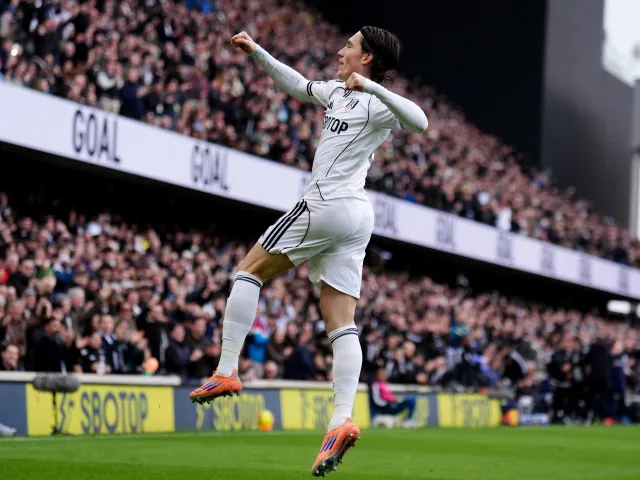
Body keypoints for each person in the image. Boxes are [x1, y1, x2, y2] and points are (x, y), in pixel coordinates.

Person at [188, 26, 427, 476]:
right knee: (341, 322)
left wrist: (372, 87)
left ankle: (226, 370)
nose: (340, 50)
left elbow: (420, 122)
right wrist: (257, 51)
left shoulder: (376, 102)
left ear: (367, 58)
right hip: (356, 216)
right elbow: (297, 85)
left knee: (248, 271)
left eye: (349, 46)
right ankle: (340, 421)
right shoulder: (336, 91)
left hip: (327, 203)